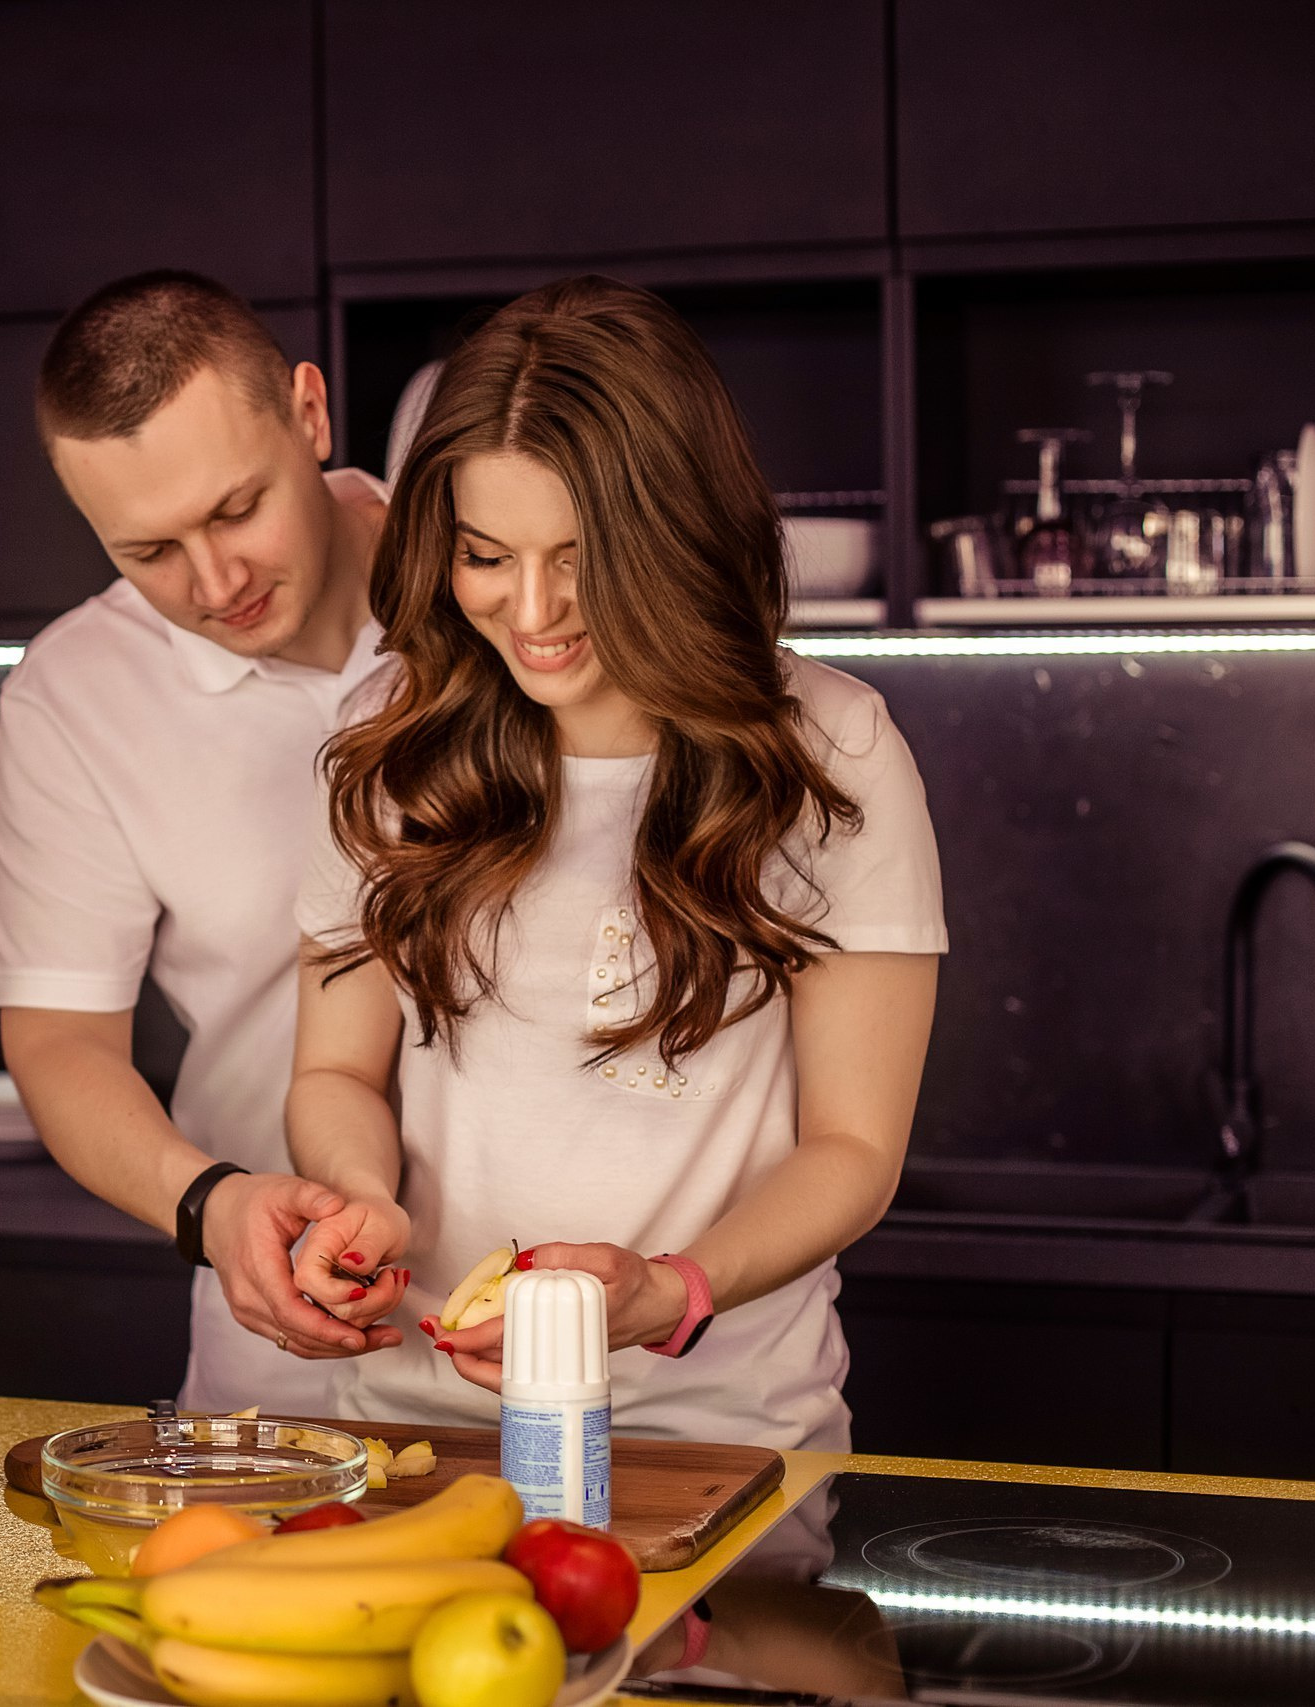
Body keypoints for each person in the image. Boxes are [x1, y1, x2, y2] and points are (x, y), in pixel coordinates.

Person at [282, 277, 945, 1450]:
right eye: (485, 555)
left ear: (672, 538)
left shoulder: (830, 749)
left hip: (718, 1434)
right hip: (417, 1427)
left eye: (580, 559)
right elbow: (336, 1071)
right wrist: (362, 1199)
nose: (528, 610)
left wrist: (668, 1291)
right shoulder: (399, 740)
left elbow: (853, 1150)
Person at [0, 271, 399, 1412]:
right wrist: (208, 1203)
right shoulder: (74, 694)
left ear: (308, 415)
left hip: (578, 1325)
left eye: (234, 510)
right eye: (147, 552)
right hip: (289, 1345)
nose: (214, 582)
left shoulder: (506, 583)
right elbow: (62, 1041)